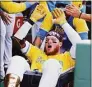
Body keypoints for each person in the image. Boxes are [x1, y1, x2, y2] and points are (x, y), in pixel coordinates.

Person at [4, 7, 82, 87]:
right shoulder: (36, 52)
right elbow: (17, 39)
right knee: (17, 59)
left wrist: (63, 23)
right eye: (47, 40)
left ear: (60, 44)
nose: (49, 41)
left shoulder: (67, 57)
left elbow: (79, 44)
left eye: (53, 40)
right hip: (29, 83)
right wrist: (31, 21)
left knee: (52, 63)